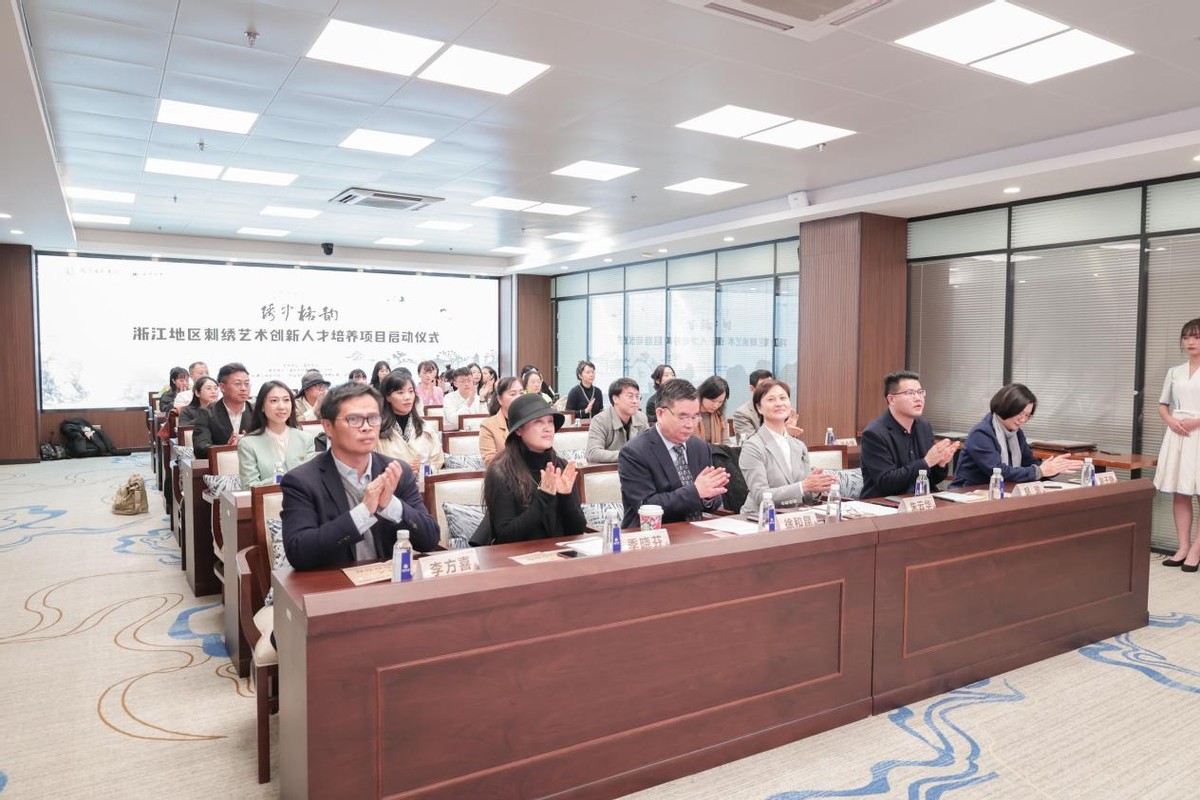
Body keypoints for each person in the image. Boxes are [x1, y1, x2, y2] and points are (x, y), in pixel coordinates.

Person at [280, 382, 439, 571]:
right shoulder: (301, 481)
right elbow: (299, 552)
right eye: (354, 419)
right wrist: (363, 512)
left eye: (373, 418)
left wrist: (390, 505)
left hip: (390, 583)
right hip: (334, 585)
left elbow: (429, 540)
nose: (367, 427)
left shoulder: (396, 472)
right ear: (328, 426)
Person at [617, 378, 729, 529]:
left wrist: (709, 495)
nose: (690, 425)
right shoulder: (634, 452)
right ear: (660, 414)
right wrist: (696, 491)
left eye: (695, 417)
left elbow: (713, 501)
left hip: (695, 532)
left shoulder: (700, 447)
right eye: (683, 417)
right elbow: (646, 505)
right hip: (654, 533)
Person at [481, 394, 586, 544]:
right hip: (519, 556)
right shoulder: (501, 472)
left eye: (550, 421)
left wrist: (566, 497)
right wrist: (544, 498)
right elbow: (505, 536)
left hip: (560, 553)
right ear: (519, 430)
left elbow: (577, 530)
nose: (547, 428)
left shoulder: (560, 467)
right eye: (538, 422)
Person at [950, 383, 1080, 489]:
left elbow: (1029, 463)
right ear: (1006, 407)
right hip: (968, 493)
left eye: (1027, 415)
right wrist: (1040, 471)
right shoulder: (981, 433)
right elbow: (998, 471)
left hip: (1003, 491)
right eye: (1020, 413)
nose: (1023, 419)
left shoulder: (1017, 433)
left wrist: (1054, 467)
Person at [738, 379, 835, 513]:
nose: (779, 403)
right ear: (759, 408)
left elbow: (805, 496)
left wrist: (818, 486)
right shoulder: (752, 446)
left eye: (783, 398)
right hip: (760, 517)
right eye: (771, 399)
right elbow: (761, 495)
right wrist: (803, 486)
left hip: (794, 515)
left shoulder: (799, 445)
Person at [860, 370, 958, 498]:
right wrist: (926, 462)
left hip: (919, 501)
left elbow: (931, 479)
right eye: (910, 393)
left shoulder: (924, 427)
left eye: (920, 392)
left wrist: (940, 464)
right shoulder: (874, 434)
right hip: (884, 504)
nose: (918, 398)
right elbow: (886, 482)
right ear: (891, 399)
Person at [1156, 318, 1200, 571]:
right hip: (1178, 433)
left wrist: (1197, 421)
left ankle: (1196, 550)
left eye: (1196, 337)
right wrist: (1171, 421)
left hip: (1198, 432)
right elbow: (1163, 404)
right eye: (1186, 337)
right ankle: (1183, 546)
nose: (1190, 342)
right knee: (1181, 492)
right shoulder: (1175, 372)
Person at [237, 381, 316, 487]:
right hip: (267, 498)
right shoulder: (248, 443)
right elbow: (249, 486)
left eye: (286, 400)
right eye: (274, 401)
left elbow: (313, 479)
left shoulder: (306, 439)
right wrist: (280, 480)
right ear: (262, 406)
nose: (281, 406)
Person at [376, 371, 444, 472]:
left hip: (420, 481)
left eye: (411, 391)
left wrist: (423, 468)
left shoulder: (425, 427)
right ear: (388, 397)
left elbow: (437, 462)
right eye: (400, 392)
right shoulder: (378, 430)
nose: (407, 397)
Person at [193, 362, 253, 457]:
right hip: (221, 466)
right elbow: (200, 449)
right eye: (238, 384)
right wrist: (226, 449)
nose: (243, 388)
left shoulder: (257, 412)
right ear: (222, 387)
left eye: (247, 384)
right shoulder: (206, 414)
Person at [585, 378, 649, 463]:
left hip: (636, 468)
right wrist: (627, 455)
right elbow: (593, 453)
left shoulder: (641, 418)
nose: (635, 401)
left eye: (637, 397)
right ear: (615, 399)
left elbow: (649, 447)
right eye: (630, 397)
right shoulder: (600, 420)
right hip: (609, 469)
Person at [480, 376, 524, 468]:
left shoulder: (530, 420)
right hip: (505, 474)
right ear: (500, 399)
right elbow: (490, 461)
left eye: (521, 393)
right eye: (513, 394)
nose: (519, 397)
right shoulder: (488, 425)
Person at [731, 369, 774, 440]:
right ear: (752, 389)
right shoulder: (742, 413)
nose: (768, 390)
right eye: (763, 387)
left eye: (771, 386)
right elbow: (751, 442)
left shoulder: (779, 408)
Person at [696, 375, 730, 445]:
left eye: (720, 402)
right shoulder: (690, 414)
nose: (716, 405)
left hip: (717, 451)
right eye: (713, 401)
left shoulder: (719, 414)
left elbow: (725, 441)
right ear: (702, 395)